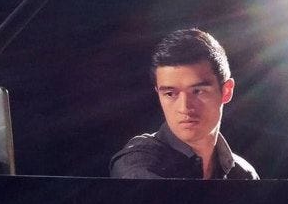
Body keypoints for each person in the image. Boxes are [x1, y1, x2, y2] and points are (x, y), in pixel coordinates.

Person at [110, 28, 259, 179]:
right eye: (170, 94)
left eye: (198, 91)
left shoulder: (243, 175)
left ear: (226, 91)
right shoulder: (137, 163)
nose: (185, 107)